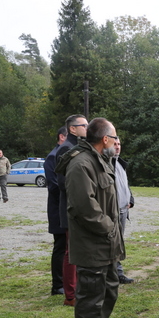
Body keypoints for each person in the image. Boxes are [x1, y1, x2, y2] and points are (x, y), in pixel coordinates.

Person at [55, 118, 125, 318]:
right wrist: (108, 227)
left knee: (109, 289)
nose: (117, 142)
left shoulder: (100, 160)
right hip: (92, 241)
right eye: (115, 138)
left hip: (107, 241)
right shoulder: (81, 164)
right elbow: (85, 208)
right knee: (91, 295)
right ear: (105, 139)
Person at [55, 114, 89, 307]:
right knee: (71, 252)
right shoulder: (66, 149)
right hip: (71, 208)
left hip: (79, 207)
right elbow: (62, 182)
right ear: (73, 129)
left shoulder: (78, 147)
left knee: (78, 250)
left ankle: (77, 290)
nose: (87, 127)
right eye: (84, 125)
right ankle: (70, 295)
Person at [44, 127, 68, 296]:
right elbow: (54, 186)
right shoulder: (53, 157)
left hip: (66, 208)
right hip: (58, 210)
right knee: (60, 247)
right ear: (62, 137)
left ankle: (67, 281)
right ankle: (57, 285)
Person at [113, 137, 135, 284]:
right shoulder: (104, 164)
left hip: (123, 210)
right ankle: (115, 274)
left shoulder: (120, 163)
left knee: (119, 244)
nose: (117, 147)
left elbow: (124, 185)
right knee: (113, 244)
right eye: (114, 144)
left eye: (119, 144)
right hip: (112, 212)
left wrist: (130, 200)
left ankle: (118, 272)